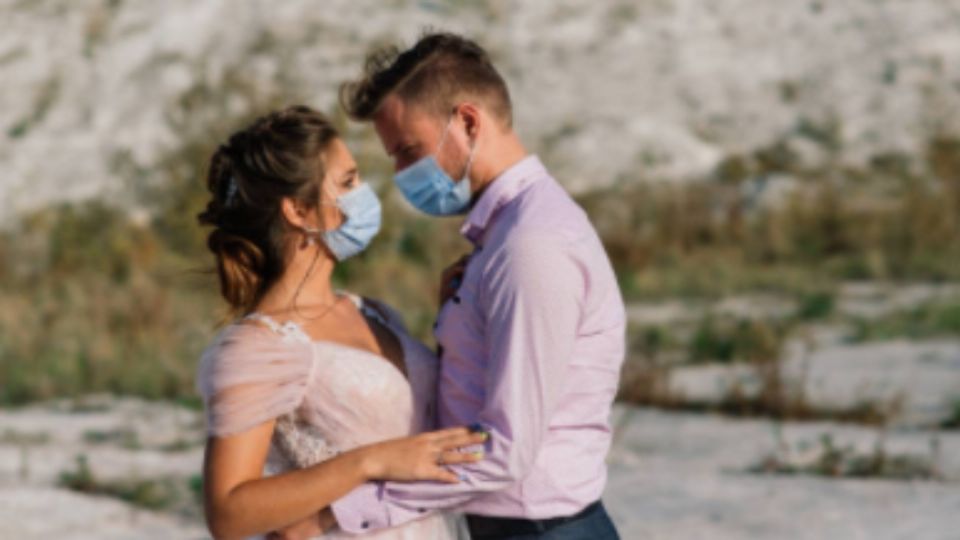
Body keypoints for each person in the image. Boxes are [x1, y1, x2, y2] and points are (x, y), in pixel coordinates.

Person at [327, 32, 626, 539]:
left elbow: (505, 449)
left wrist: (344, 511)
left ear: (467, 121)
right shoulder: (504, 239)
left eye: (408, 151)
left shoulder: (531, 246)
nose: (401, 175)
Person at [194, 105, 483, 539]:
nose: (365, 194)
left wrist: (453, 322)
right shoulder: (261, 347)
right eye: (348, 182)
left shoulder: (374, 312)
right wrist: (371, 461)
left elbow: (421, 428)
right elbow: (228, 514)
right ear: (299, 211)